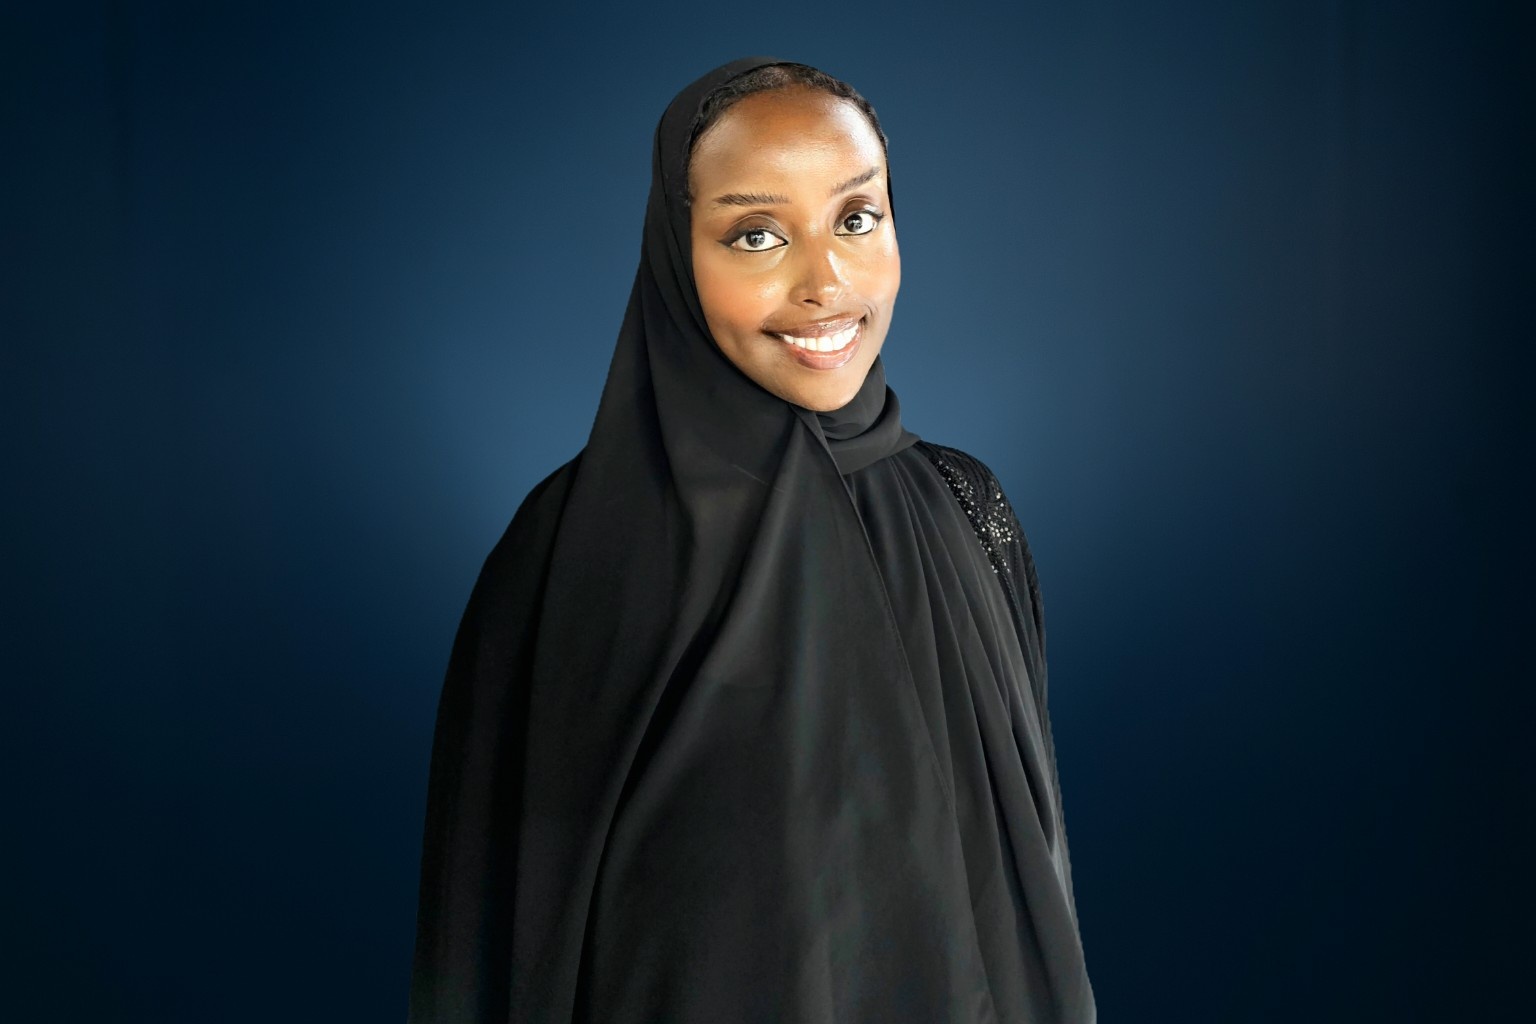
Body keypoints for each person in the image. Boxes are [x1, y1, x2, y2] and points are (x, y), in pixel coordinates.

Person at [409, 57, 1095, 1023]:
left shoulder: (966, 505)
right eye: (757, 235)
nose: (826, 282)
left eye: (856, 218)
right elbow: (500, 916)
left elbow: (1032, 877)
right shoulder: (572, 546)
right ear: (675, 253)